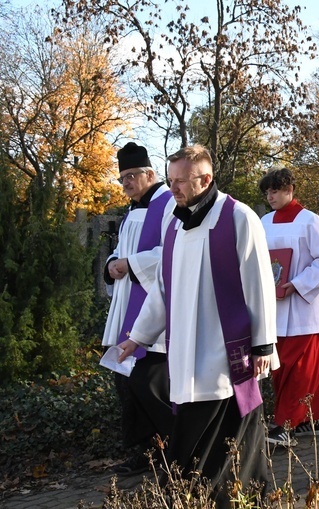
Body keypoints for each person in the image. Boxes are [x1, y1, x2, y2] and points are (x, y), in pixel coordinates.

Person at [118, 145, 278, 507]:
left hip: (226, 351)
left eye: (180, 181)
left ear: (205, 179)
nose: (171, 188)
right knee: (214, 429)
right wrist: (138, 338)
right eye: (170, 179)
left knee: (228, 428)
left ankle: (214, 495)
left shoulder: (238, 218)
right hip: (186, 350)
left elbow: (259, 282)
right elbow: (163, 290)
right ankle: (225, 495)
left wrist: (264, 345)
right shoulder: (176, 223)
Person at [101, 142, 175, 474]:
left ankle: (171, 448)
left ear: (150, 173)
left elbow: (173, 254)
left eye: (132, 176)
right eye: (122, 178)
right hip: (127, 303)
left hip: (153, 310)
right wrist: (113, 264)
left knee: (150, 384)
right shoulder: (133, 210)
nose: (127, 183)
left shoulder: (169, 203)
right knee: (126, 382)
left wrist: (130, 264)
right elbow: (120, 250)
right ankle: (146, 452)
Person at [258, 168, 319, 446]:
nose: (270, 196)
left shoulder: (310, 221)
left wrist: (298, 283)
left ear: (290, 189)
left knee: (301, 367)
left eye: (275, 191)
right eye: (267, 192)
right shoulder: (264, 221)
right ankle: (312, 418)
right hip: (275, 305)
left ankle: (286, 425)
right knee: (282, 366)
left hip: (304, 307)